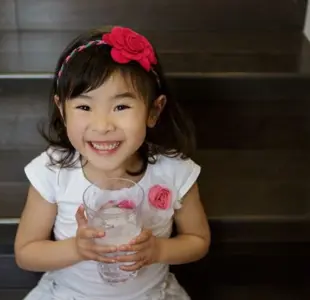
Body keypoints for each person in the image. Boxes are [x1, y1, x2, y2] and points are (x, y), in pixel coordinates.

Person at [14, 26, 210, 300]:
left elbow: (198, 241)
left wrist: (158, 251)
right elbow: (26, 253)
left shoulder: (174, 171)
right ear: (62, 110)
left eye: (121, 107)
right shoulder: (53, 172)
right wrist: (77, 249)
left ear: (154, 111)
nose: (103, 126)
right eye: (84, 107)